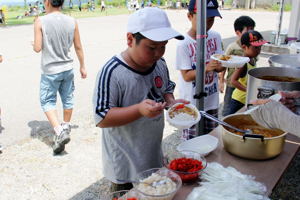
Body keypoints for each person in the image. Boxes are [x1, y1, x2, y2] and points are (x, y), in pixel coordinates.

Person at [93, 7, 186, 192]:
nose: (158, 53)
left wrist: (171, 103)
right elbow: (102, 117)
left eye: (163, 46)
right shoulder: (113, 72)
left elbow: (166, 88)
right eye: (151, 47)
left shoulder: (159, 63)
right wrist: (139, 110)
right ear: (130, 39)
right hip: (125, 162)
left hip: (152, 153)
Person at [33, 0, 87, 154]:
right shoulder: (72, 21)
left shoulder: (40, 21)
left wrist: (34, 44)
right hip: (68, 68)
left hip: (50, 70)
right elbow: (78, 46)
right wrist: (82, 65)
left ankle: (59, 131)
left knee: (47, 100)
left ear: (48, 2)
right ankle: (65, 125)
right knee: (68, 97)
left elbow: (37, 48)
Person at [175, 0, 225, 139]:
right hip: (192, 103)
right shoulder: (184, 43)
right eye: (203, 19)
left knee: (211, 140)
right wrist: (207, 68)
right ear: (189, 16)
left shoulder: (215, 36)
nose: (207, 24)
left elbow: (220, 64)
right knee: (193, 143)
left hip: (211, 98)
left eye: (211, 20)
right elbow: (186, 76)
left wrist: (222, 65)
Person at [219, 16, 256, 117]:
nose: (251, 33)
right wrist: (221, 81)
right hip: (232, 83)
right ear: (238, 32)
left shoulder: (253, 47)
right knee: (228, 108)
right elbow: (224, 64)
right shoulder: (232, 47)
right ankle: (225, 121)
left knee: (240, 109)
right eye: (248, 30)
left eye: (252, 29)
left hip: (243, 85)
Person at [228, 30, 267, 115]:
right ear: (244, 47)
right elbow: (233, 81)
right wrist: (249, 90)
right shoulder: (243, 63)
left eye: (260, 47)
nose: (259, 51)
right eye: (256, 48)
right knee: (231, 123)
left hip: (246, 99)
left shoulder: (252, 59)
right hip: (238, 101)